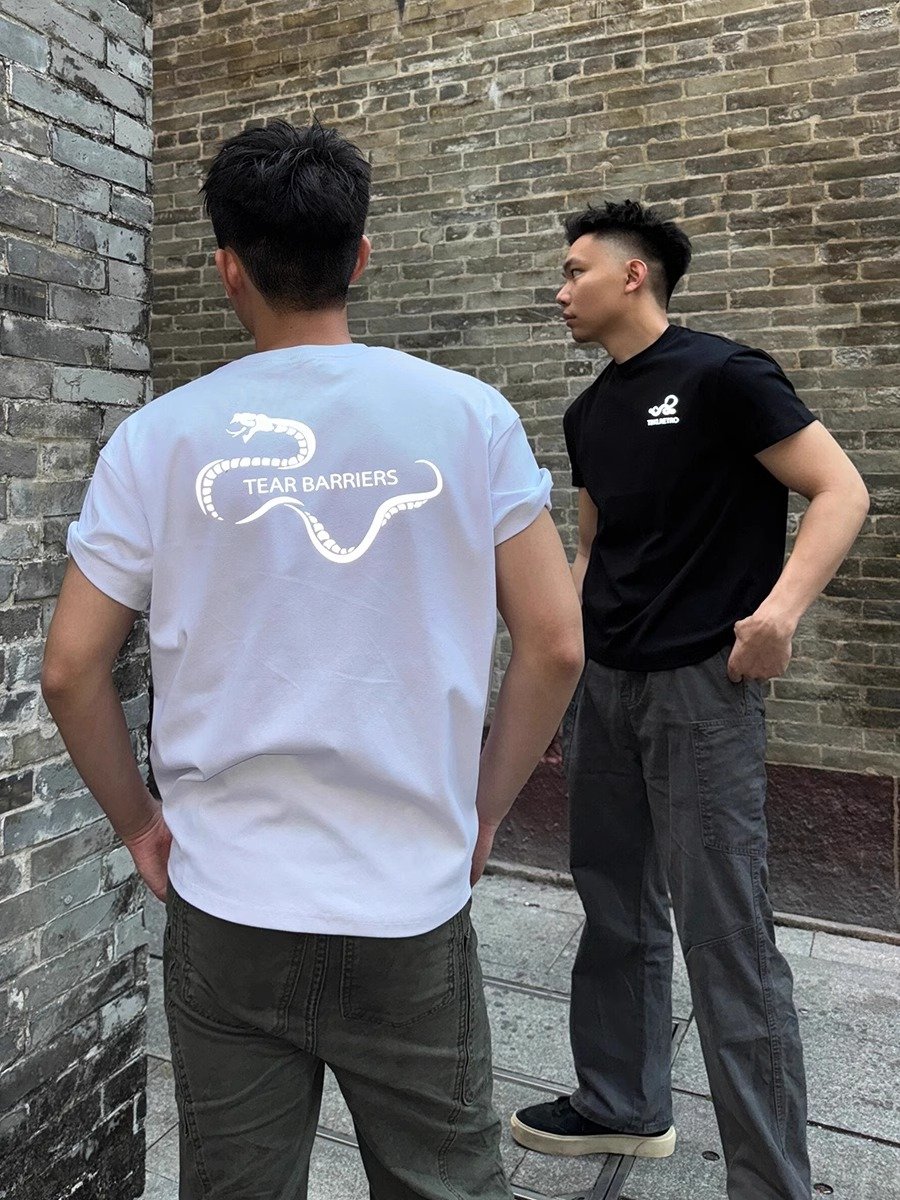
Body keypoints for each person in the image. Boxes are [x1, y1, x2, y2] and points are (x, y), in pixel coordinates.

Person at [42, 119, 584, 1200]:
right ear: (361, 257)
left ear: (228, 269)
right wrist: (480, 813)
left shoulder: (159, 439)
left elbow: (69, 670)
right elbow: (557, 644)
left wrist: (141, 826)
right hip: (407, 902)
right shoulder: (469, 418)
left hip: (228, 899)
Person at [509, 200, 869, 1200]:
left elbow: (840, 490)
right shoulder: (589, 413)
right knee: (613, 901)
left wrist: (779, 614)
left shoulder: (725, 376)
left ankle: (770, 1181)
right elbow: (592, 554)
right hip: (608, 691)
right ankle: (621, 1102)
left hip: (702, 694)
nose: (560, 290)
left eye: (575, 270)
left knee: (726, 936)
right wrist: (561, 671)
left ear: (634, 275)